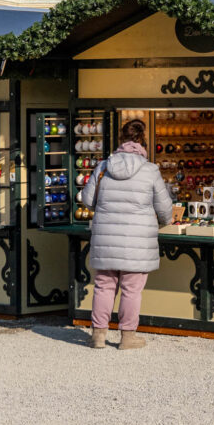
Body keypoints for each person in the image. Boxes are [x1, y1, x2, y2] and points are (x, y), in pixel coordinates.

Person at [79, 119, 173, 350]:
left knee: (103, 285)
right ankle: (127, 337)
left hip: (106, 237)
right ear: (143, 142)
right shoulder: (150, 170)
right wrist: (161, 222)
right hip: (137, 240)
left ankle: (98, 335)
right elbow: (165, 209)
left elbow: (88, 200)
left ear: (121, 140)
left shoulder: (103, 167)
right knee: (132, 289)